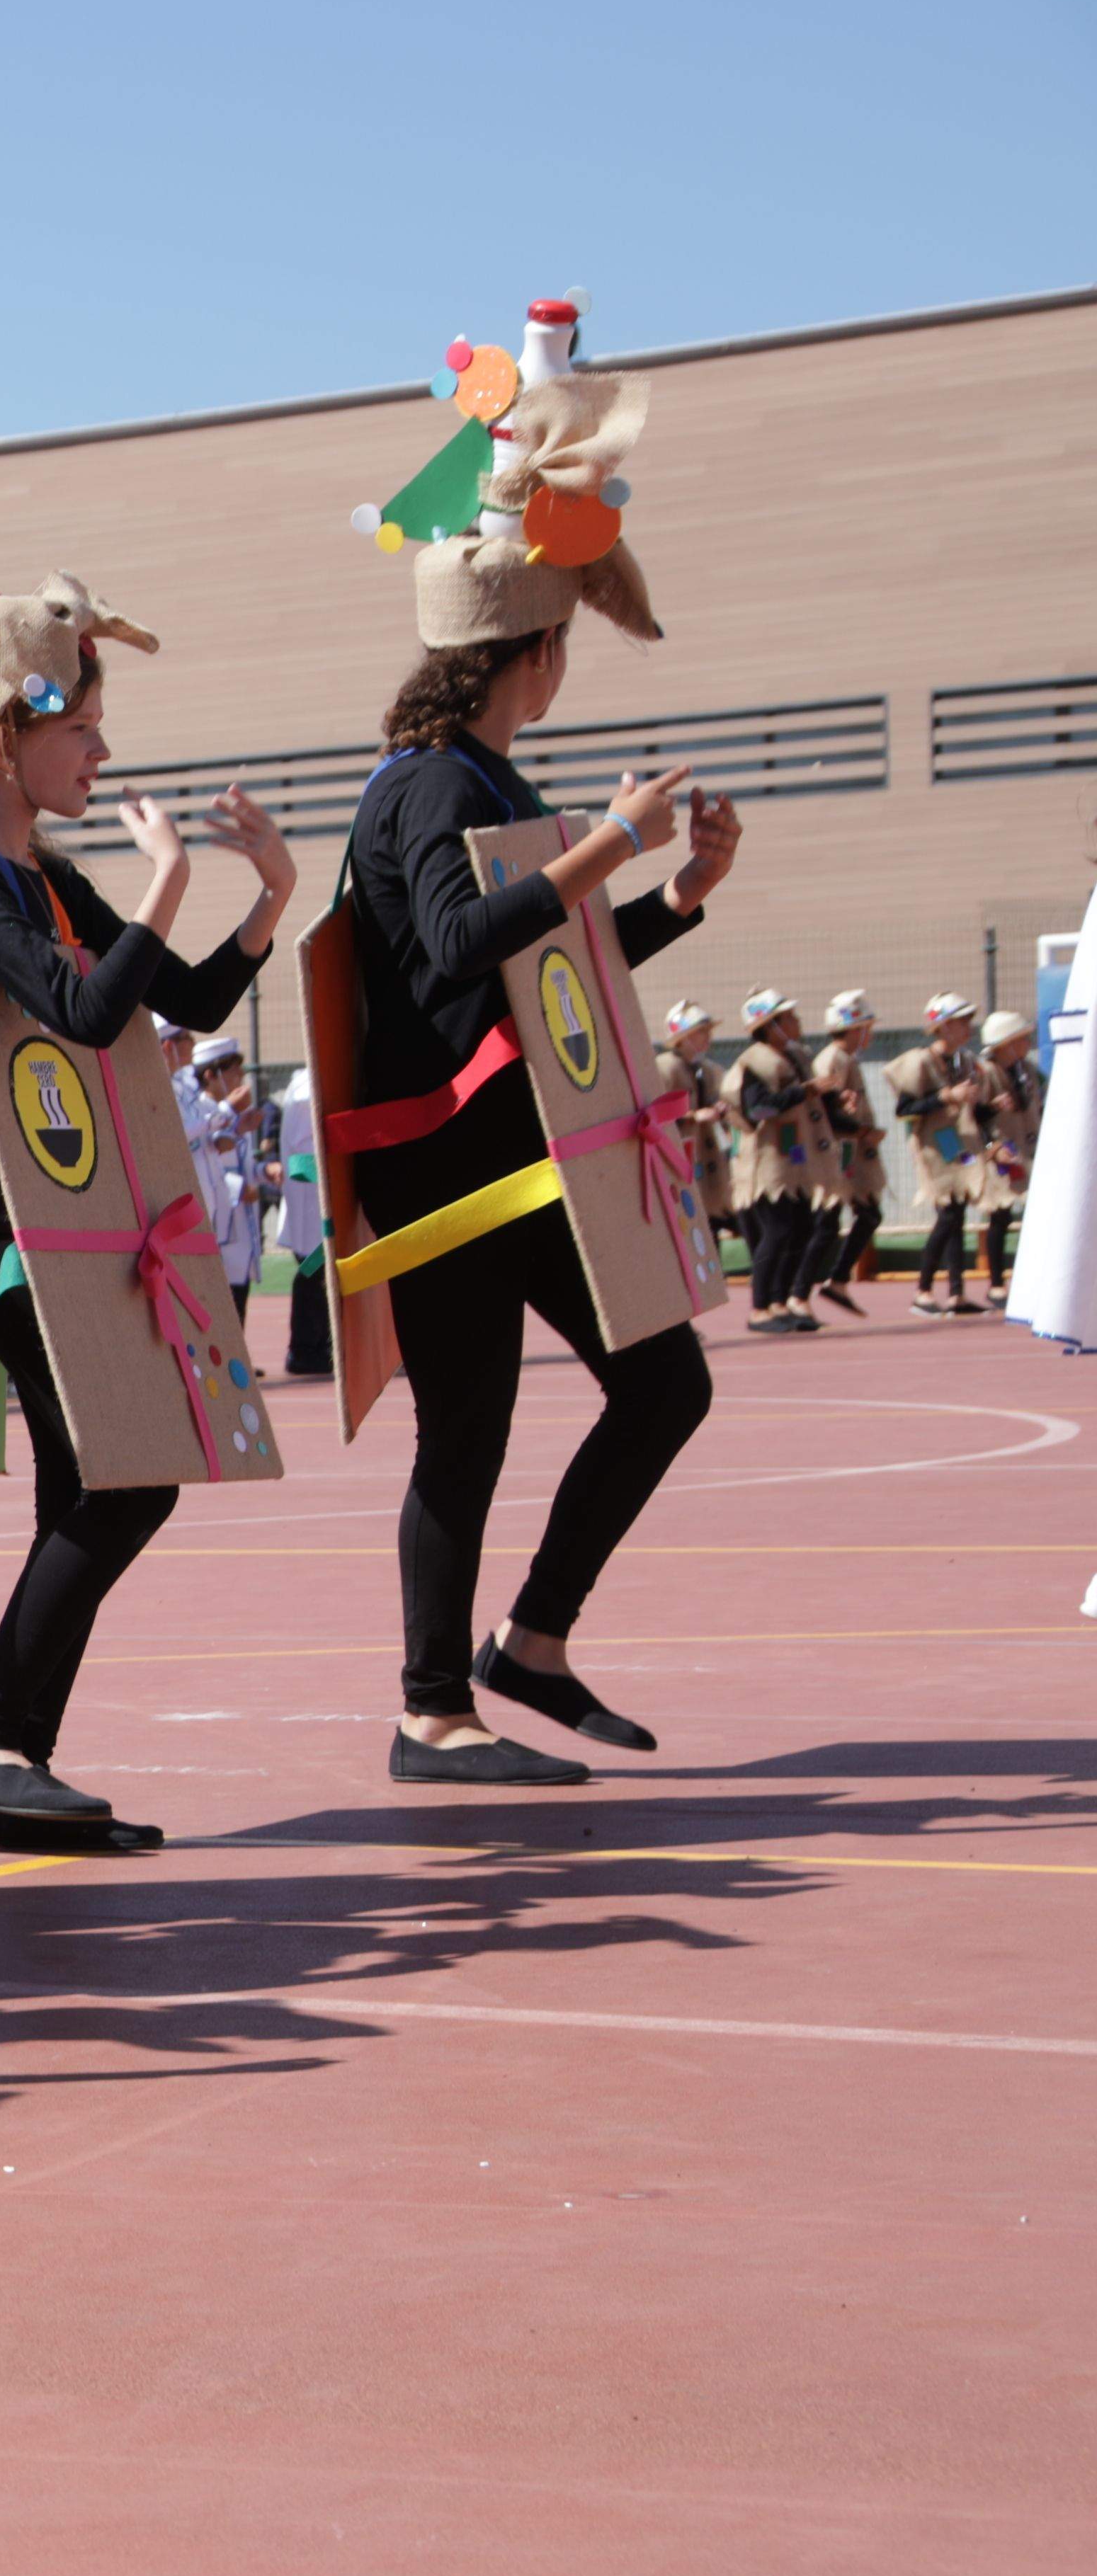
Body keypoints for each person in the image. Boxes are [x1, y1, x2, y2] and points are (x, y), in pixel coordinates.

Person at [0, 576, 292, 1850]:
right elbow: (92, 1017)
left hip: (58, 1220)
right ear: (7, 741)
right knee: (127, 1479)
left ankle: (10, 1765)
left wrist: (267, 897)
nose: (102, 754)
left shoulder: (41, 878)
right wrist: (166, 881)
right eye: (82, 731)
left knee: (89, 1483)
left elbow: (187, 1000)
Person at [333, 421, 731, 1784]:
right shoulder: (437, 781)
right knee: (473, 1428)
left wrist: (669, 899)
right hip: (446, 1161)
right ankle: (431, 1708)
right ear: (533, 655)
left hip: (517, 1150)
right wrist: (615, 842)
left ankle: (534, 1647)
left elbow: (543, 965)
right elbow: (457, 945)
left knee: (664, 1382)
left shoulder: (485, 777)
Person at [728, 992, 831, 1334]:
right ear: (771, 1026)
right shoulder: (754, 1063)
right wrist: (804, 1092)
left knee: (801, 1227)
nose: (797, 1023)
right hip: (768, 1164)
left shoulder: (794, 1057)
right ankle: (759, 1308)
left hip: (794, 1161)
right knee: (777, 1231)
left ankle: (780, 1301)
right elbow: (759, 1109)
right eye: (790, 1017)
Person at [885, 995, 989, 1314]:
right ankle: (923, 1291)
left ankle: (957, 1294)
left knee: (957, 1213)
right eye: (962, 1021)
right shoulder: (921, 1061)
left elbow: (973, 1108)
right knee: (947, 1216)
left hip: (957, 1145)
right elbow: (905, 1109)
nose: (968, 1027)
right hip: (933, 1147)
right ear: (943, 1027)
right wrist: (947, 1096)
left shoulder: (964, 1061)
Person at [180, 1031, 268, 1347]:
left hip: (235, 1223)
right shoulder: (201, 1109)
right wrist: (239, 1186)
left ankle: (237, 1355)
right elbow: (197, 1158)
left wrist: (263, 1173)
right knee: (220, 1301)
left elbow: (229, 1160)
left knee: (237, 1297)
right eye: (234, 1072)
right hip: (218, 1221)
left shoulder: (224, 1113)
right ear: (211, 1075)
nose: (241, 1079)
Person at [655, 1002, 737, 1302]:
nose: (707, 1038)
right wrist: (692, 1117)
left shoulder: (704, 1068)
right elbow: (657, 1112)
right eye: (701, 1032)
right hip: (682, 1154)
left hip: (706, 1153)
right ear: (683, 1037)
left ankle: (709, 1282)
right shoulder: (666, 1067)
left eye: (707, 1032)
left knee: (710, 1215)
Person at [809, 991, 885, 1316]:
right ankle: (796, 1294)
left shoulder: (847, 1059)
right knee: (826, 1221)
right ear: (854, 1028)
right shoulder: (832, 1060)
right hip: (837, 1152)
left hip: (852, 1151)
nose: (870, 1033)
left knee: (868, 1214)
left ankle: (837, 1282)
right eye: (866, 1026)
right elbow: (826, 1112)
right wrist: (862, 1131)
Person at [977, 1007, 1047, 1315]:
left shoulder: (1028, 1070)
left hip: (1031, 1151)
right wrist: (991, 1147)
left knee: (1041, 1215)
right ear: (1005, 1044)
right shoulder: (985, 1073)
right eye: (1021, 1038)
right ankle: (996, 1285)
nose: (1028, 1043)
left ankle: (1036, 1279)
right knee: (1001, 1216)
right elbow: (971, 1119)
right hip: (1002, 1154)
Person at [273, 1063, 334, 1379]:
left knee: (318, 1276)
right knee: (312, 1275)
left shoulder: (308, 1084)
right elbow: (304, 1150)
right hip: (313, 1202)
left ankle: (316, 1346)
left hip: (315, 1201)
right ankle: (304, 1350)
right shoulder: (307, 1089)